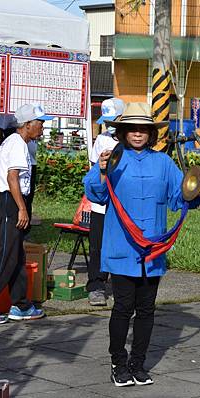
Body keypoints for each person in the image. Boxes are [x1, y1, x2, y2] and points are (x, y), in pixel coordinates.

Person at [83, 102, 199, 387]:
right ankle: (118, 362)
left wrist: (193, 192)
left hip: (153, 250)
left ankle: (138, 362)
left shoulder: (163, 163)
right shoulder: (112, 158)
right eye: (131, 129)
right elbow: (95, 194)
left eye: (143, 129)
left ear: (150, 132)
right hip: (123, 247)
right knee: (123, 306)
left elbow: (178, 197)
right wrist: (101, 171)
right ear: (122, 132)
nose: (137, 134)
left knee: (147, 309)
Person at [0, 104, 51, 325]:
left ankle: (21, 304)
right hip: (10, 202)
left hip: (2, 200)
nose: (42, 128)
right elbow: (12, 177)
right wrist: (21, 208)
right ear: (27, 125)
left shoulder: (12, 142)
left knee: (16, 255)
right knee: (6, 257)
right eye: (40, 123)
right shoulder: (17, 144)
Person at [86, 98, 124, 306]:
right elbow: (93, 172)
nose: (110, 125)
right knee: (97, 246)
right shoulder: (102, 139)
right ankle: (96, 285)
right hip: (101, 203)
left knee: (120, 245)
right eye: (107, 120)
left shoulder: (130, 141)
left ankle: (122, 286)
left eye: (114, 120)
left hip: (123, 205)